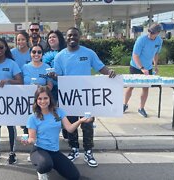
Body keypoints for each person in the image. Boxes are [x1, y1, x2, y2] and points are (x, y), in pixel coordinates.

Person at [51, 27, 117, 168]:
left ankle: (88, 151)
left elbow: (100, 67)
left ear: (79, 37)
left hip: (86, 96)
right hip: (69, 96)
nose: (72, 38)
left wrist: (109, 72)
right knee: (72, 124)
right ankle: (74, 149)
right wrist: (54, 76)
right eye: (69, 35)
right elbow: (59, 77)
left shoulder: (88, 53)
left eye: (75, 35)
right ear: (66, 37)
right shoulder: (60, 56)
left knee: (87, 124)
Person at [21, 86, 92, 180]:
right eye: (40, 98)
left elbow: (70, 129)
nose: (43, 101)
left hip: (54, 151)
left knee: (74, 176)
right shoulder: (33, 118)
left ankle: (50, 163)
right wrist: (28, 141)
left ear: (50, 98)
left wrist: (81, 121)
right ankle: (41, 170)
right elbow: (32, 138)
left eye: (45, 98)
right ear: (36, 100)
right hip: (39, 150)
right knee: (45, 165)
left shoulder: (58, 112)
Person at [0, 37, 23, 164]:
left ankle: (12, 153)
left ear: (6, 48)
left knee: (10, 126)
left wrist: (8, 81)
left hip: (9, 100)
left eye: (1, 47)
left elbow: (20, 81)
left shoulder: (11, 63)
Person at [123, 23, 163, 118]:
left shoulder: (159, 41)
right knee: (131, 86)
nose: (150, 34)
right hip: (136, 66)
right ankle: (124, 104)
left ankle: (141, 108)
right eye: (149, 31)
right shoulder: (141, 40)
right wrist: (142, 68)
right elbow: (135, 55)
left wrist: (155, 65)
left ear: (158, 33)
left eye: (152, 33)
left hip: (148, 67)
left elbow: (156, 53)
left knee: (145, 88)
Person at [21, 44, 53, 134]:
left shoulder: (47, 67)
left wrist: (40, 87)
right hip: (27, 101)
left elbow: (50, 86)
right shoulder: (25, 67)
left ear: (42, 54)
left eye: (39, 52)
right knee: (28, 126)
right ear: (30, 53)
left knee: (41, 125)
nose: (36, 54)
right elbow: (20, 84)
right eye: (34, 52)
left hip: (42, 102)